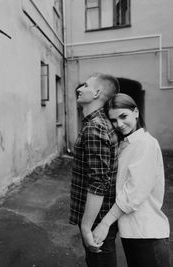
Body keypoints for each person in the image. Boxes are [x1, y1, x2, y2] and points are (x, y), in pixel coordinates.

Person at [93, 93, 171, 267]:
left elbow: (133, 193)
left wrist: (104, 224)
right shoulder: (127, 143)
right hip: (133, 233)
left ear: (136, 112)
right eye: (114, 120)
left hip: (148, 234)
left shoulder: (145, 143)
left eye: (123, 116)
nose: (119, 124)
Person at [69, 73, 120, 267]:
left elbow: (98, 182)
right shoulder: (101, 123)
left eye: (85, 86)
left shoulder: (94, 128)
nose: (80, 89)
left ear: (97, 92)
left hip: (97, 218)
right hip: (102, 214)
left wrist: (86, 226)